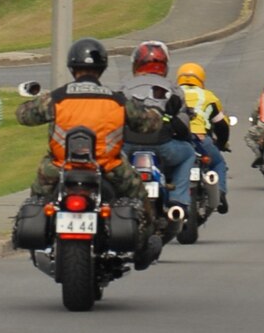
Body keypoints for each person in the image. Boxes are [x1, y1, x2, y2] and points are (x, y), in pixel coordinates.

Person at [16, 35, 165, 216]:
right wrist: (157, 110)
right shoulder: (117, 101)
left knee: (37, 200)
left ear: (72, 67)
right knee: (140, 199)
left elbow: (24, 116)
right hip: (109, 168)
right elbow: (149, 124)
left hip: (59, 167)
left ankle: (41, 231)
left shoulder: (56, 98)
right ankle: (146, 239)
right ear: (102, 68)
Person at [119, 39, 201, 215]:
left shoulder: (124, 88)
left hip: (129, 145)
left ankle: (117, 197)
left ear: (136, 64)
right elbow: (183, 125)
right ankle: (179, 199)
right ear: (165, 65)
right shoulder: (174, 90)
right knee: (188, 153)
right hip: (162, 145)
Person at [175, 61, 232, 213]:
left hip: (177, 139)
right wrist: (221, 143)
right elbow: (221, 125)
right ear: (201, 79)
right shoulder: (208, 96)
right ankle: (219, 193)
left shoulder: (172, 92)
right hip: (200, 138)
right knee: (218, 163)